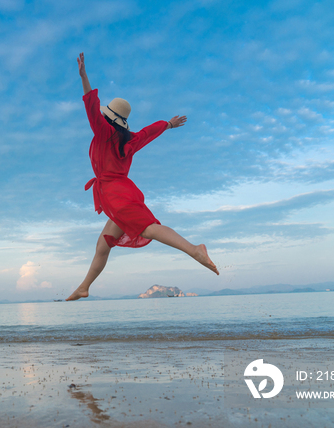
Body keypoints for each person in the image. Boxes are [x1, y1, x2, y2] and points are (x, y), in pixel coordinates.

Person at [66, 53, 219, 302]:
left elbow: (90, 105)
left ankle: (194, 250)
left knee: (147, 228)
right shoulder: (130, 139)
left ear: (107, 118)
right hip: (121, 192)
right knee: (103, 245)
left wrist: (84, 76)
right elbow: (149, 131)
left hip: (116, 195)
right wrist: (168, 124)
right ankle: (84, 287)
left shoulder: (104, 132)